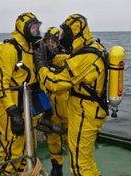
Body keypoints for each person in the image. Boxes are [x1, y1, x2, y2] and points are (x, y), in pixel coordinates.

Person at [33, 14, 108, 176]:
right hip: (83, 111)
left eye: (65, 34)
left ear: (74, 33)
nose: (62, 38)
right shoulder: (90, 48)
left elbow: (55, 83)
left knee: (80, 165)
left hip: (85, 113)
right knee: (84, 159)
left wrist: (41, 65)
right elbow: (70, 60)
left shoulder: (87, 56)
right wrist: (54, 56)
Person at [0, 12, 42, 175]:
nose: (36, 31)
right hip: (13, 105)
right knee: (12, 149)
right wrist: (12, 110)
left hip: (29, 104)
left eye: (37, 27)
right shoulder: (9, 49)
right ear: (24, 28)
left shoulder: (33, 48)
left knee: (27, 147)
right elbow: (1, 82)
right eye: (33, 27)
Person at [42, 27, 70, 176]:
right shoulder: (41, 60)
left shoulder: (67, 58)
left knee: (72, 141)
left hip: (67, 106)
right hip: (50, 107)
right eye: (48, 41)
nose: (50, 44)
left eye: (53, 41)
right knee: (52, 139)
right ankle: (56, 166)